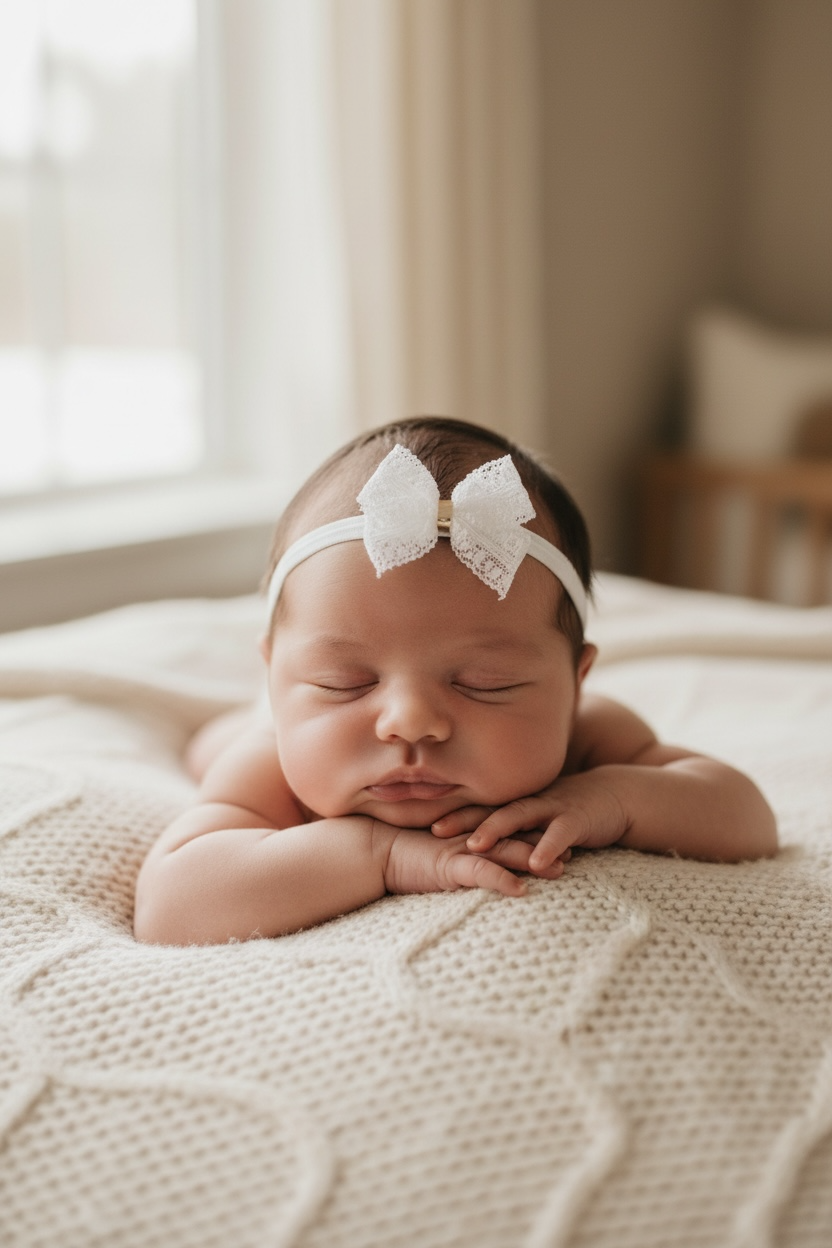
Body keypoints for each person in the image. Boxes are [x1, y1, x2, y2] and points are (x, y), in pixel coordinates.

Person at [134, 417, 777, 946]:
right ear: (276, 675)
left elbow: (745, 816)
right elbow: (173, 904)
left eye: (485, 683)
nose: (409, 721)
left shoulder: (591, 739)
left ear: (574, 686)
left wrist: (614, 799)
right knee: (215, 745)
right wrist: (378, 854)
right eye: (344, 681)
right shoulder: (273, 764)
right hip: (253, 728)